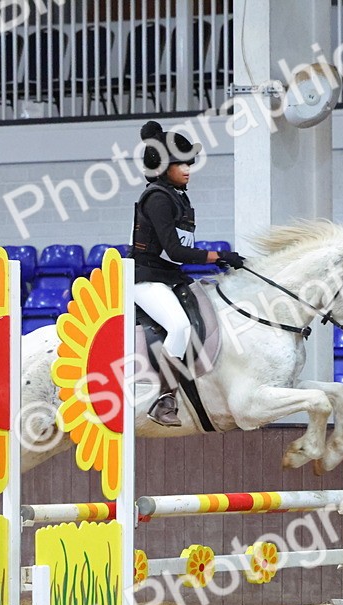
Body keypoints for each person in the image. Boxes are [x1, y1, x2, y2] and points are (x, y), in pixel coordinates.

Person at [132, 120, 245, 426]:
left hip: (169, 276)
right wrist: (217, 255)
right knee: (179, 327)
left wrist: (216, 262)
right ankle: (163, 398)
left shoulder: (177, 196)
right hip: (145, 278)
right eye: (180, 163)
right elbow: (177, 251)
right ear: (162, 166)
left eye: (188, 162)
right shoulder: (157, 199)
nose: (187, 169)